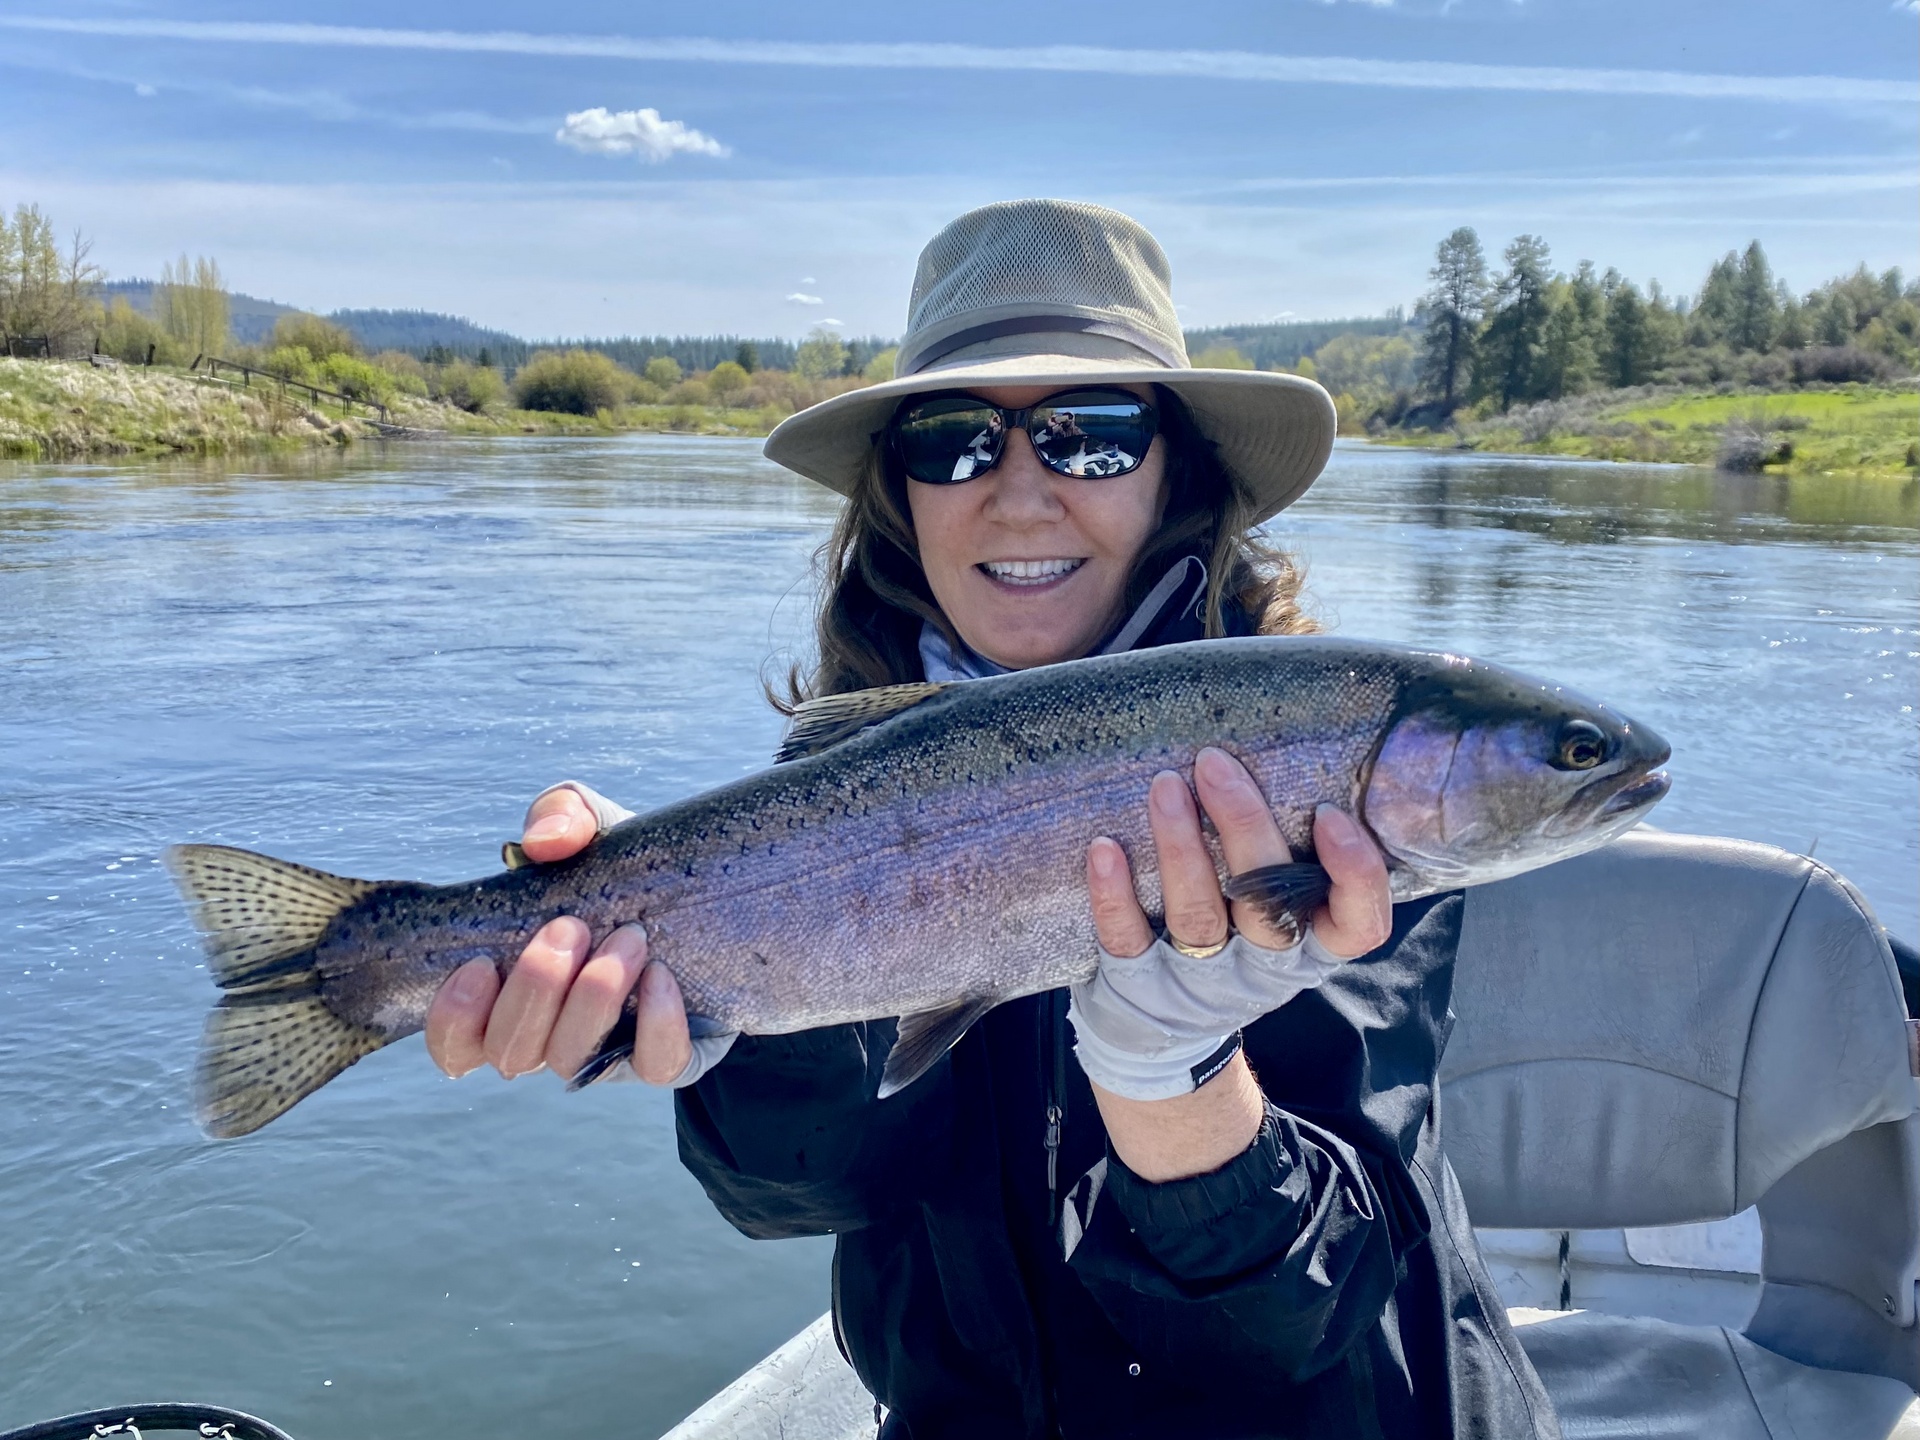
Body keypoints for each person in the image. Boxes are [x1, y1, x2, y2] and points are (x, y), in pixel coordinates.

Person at [423, 200, 1558, 1438]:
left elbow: (1323, 1328)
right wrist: (709, 963)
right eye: (953, 440)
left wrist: (1170, 1076)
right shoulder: (837, 805)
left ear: (1177, 472)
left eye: (1093, 436)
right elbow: (789, 1196)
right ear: (899, 491)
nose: (1020, 496)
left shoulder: (1332, 786)